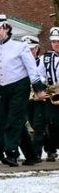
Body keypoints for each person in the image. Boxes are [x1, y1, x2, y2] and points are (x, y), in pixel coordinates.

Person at [0, 13, 38, 167]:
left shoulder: (20, 46)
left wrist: (38, 87)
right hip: (2, 88)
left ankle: (12, 155)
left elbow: (31, 68)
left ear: (6, 28)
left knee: (13, 121)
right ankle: (31, 155)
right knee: (2, 121)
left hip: (20, 86)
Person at [37, 28, 59, 162]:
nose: (56, 44)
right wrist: (45, 86)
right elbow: (39, 75)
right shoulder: (45, 58)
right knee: (52, 124)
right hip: (52, 96)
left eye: (58, 41)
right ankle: (51, 150)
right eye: (53, 41)